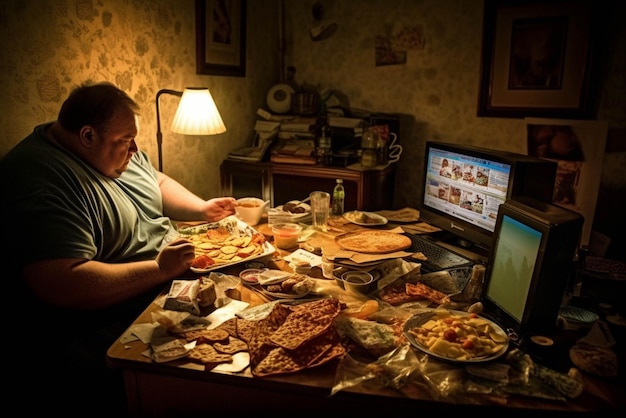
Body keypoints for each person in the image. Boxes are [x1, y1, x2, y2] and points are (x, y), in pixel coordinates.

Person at [0, 82, 236, 414]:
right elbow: (61, 283)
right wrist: (158, 269)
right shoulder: (41, 180)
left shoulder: (115, 148)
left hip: (173, 272)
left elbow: (156, 179)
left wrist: (200, 209)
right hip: (114, 310)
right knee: (220, 368)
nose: (135, 150)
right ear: (87, 136)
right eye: (125, 142)